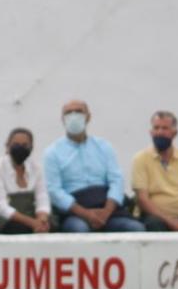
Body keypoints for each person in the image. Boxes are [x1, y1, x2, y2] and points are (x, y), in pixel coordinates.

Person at [43, 99, 145, 234]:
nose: (73, 116)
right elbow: (54, 191)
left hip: (108, 210)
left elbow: (116, 180)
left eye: (79, 111)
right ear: (62, 119)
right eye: (68, 113)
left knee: (136, 229)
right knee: (80, 230)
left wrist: (106, 212)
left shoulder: (104, 147)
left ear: (88, 117)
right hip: (75, 213)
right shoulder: (52, 152)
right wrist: (86, 214)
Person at [0, 127, 52, 234]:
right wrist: (32, 223)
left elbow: (42, 198)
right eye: (16, 145)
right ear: (7, 146)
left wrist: (42, 220)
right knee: (19, 229)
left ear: (31, 148)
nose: (20, 148)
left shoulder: (36, 168)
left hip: (29, 218)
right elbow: (0, 207)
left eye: (25, 145)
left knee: (51, 226)